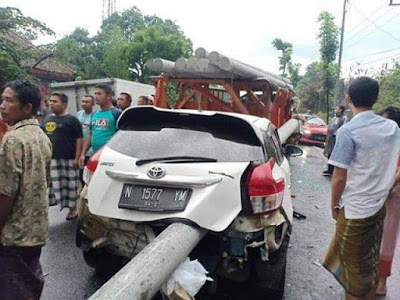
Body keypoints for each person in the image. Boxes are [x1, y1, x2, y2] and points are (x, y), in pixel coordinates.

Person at [323, 77, 400, 300]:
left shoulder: (349, 131)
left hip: (355, 210)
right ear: (376, 99)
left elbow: (339, 176)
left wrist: (334, 205)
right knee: (367, 264)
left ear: (348, 99)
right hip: (378, 208)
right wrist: (388, 185)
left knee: (354, 272)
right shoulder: (392, 128)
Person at [0, 80, 52, 299]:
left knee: (12, 288)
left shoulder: (12, 139)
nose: (2, 105)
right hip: (35, 229)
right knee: (29, 280)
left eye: (9, 100)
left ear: (27, 108)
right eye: (2, 99)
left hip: (14, 232)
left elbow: (6, 192)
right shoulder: (42, 136)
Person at [44, 92, 83, 220]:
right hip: (52, 159)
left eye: (55, 101)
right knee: (54, 185)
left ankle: (73, 210)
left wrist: (77, 157)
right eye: (50, 101)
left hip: (69, 158)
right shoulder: (47, 119)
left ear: (64, 104)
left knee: (70, 185)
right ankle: (50, 208)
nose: (51, 103)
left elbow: (79, 139)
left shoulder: (72, 120)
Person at [376, 106, 400, 296]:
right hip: (378, 192)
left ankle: (382, 280)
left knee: (387, 238)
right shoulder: (383, 141)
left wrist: (387, 188)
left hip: (394, 195)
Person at [79, 83, 121, 168]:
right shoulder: (94, 114)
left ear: (109, 97)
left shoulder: (116, 113)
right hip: (95, 156)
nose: (96, 96)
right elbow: (90, 134)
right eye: (95, 94)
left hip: (110, 157)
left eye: (99, 94)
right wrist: (83, 154)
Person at [322, 105, 348, 176]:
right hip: (331, 137)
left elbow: (343, 128)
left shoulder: (344, 118)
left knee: (335, 153)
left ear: (340, 110)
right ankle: (329, 169)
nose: (335, 109)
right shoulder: (333, 118)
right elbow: (329, 128)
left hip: (337, 138)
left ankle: (334, 170)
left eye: (337, 108)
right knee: (329, 152)